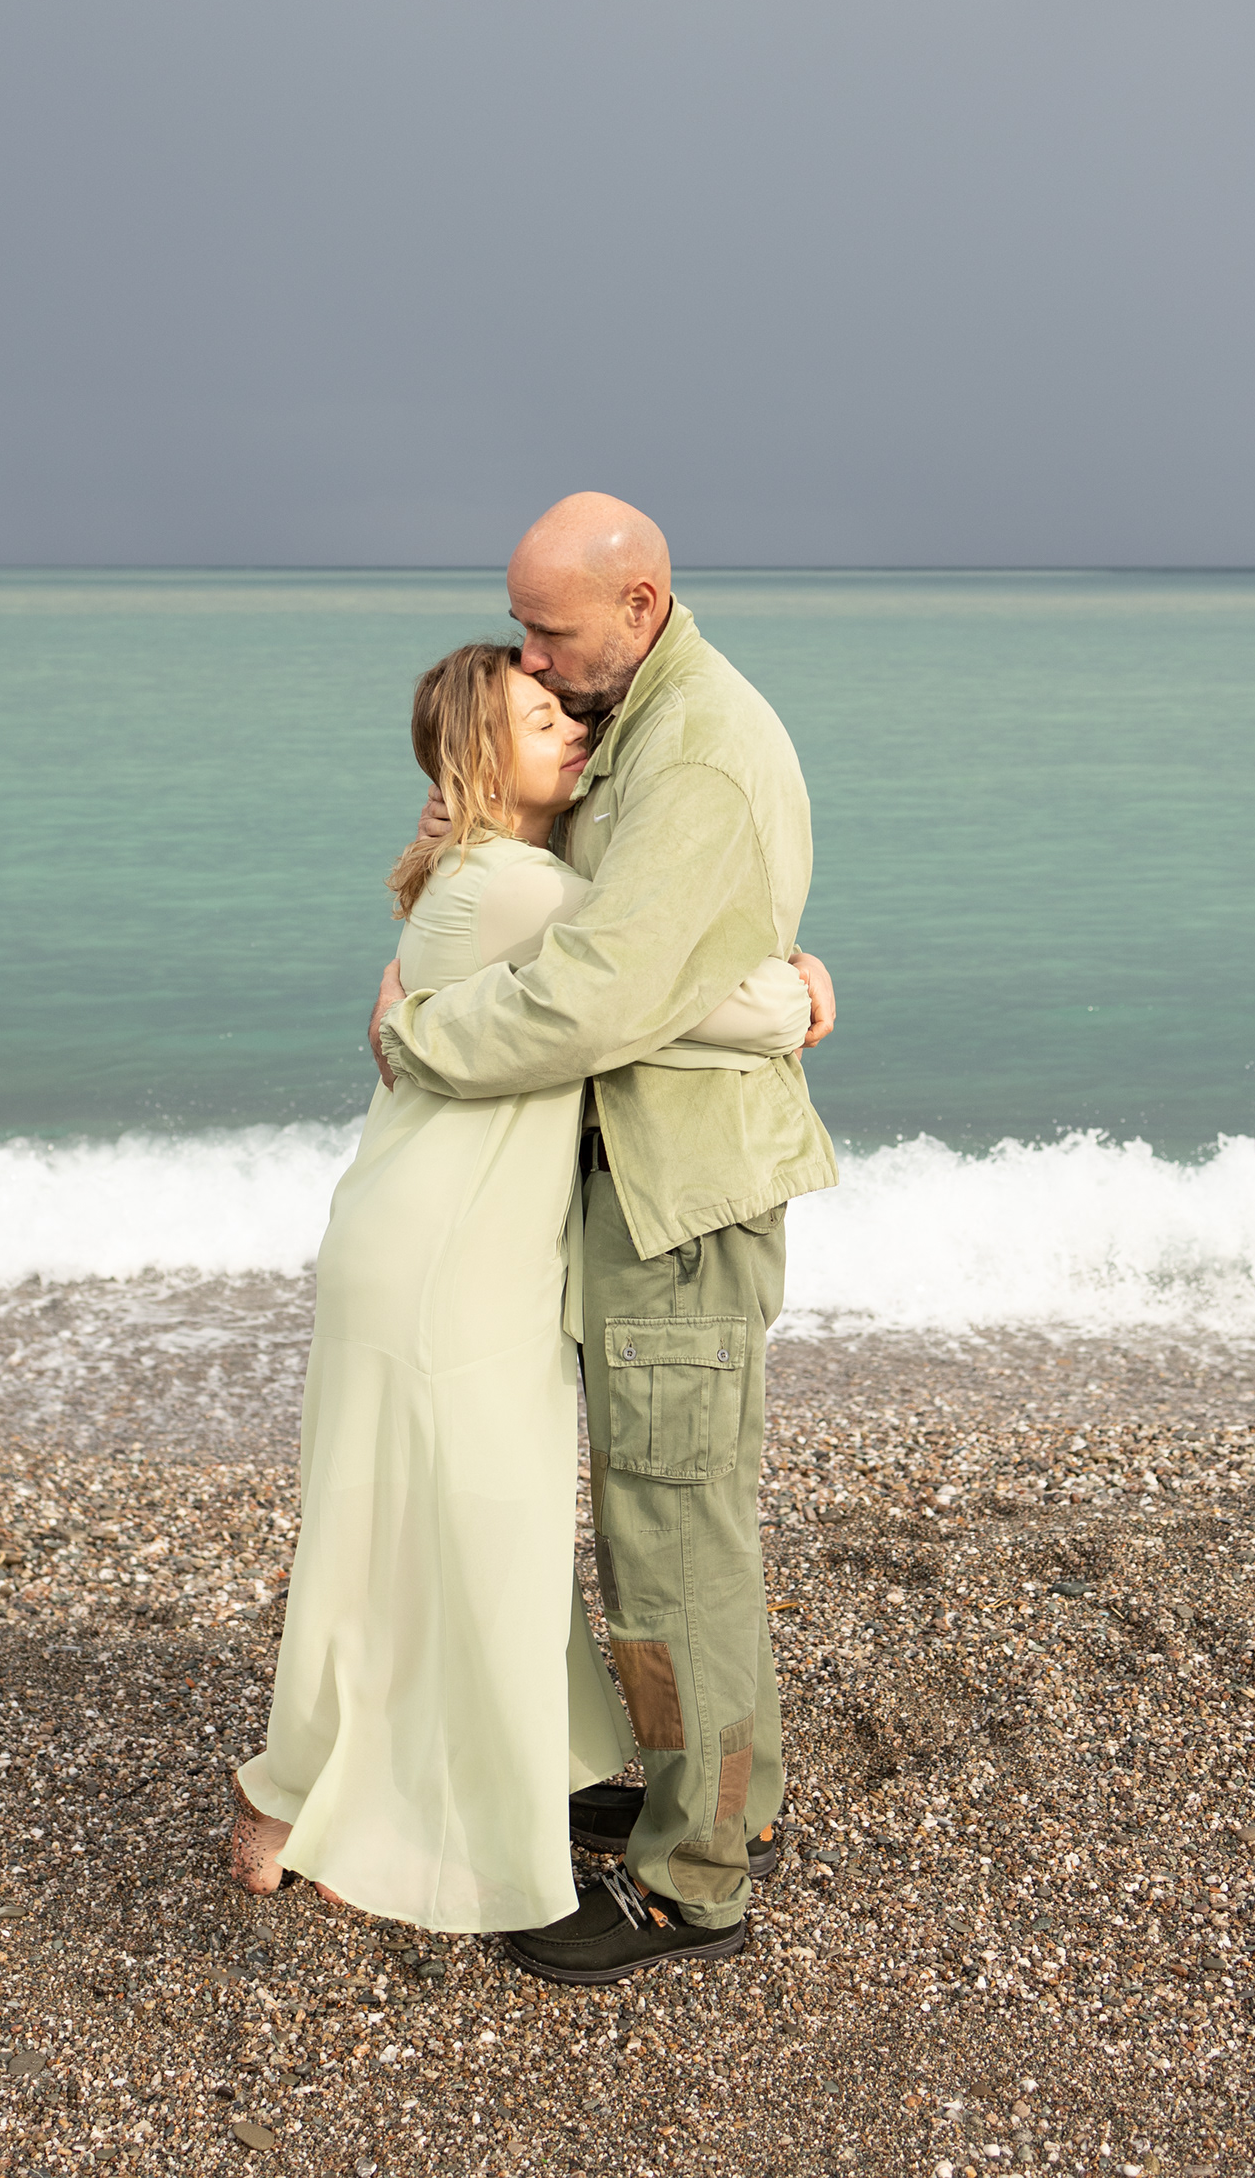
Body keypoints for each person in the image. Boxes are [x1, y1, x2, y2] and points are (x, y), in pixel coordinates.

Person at [230, 640, 811, 1934]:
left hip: (446, 1238)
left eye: (563, 705)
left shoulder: (494, 872)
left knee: (424, 1529)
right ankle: (411, 1818)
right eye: (540, 718)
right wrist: (801, 981)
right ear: (482, 764)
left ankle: (368, 1785)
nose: (572, 727)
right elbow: (737, 1008)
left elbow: (646, 965)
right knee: (470, 1536)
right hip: (451, 1259)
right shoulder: (516, 887)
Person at [370, 494, 837, 1984]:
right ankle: (723, 1802)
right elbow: (607, 922)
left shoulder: (691, 751)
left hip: (677, 1197)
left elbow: (600, 993)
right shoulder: (638, 714)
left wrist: (422, 1038)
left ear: (639, 607)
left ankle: (697, 1880)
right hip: (660, 1183)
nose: (530, 655)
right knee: (677, 1523)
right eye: (522, 630)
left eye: (549, 631)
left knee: (669, 1542)